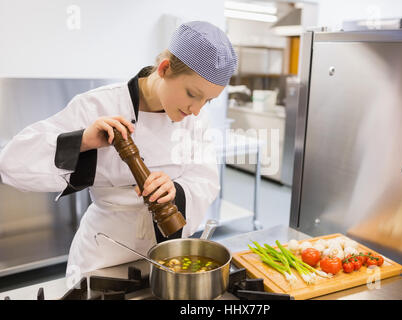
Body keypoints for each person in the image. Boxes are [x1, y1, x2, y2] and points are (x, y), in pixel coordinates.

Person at [0, 21, 237, 275]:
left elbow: (206, 179)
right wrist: (83, 141)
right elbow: (10, 165)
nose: (197, 110)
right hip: (102, 258)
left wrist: (175, 190)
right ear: (165, 69)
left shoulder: (196, 118)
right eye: (192, 93)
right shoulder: (98, 105)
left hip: (167, 258)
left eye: (208, 101)